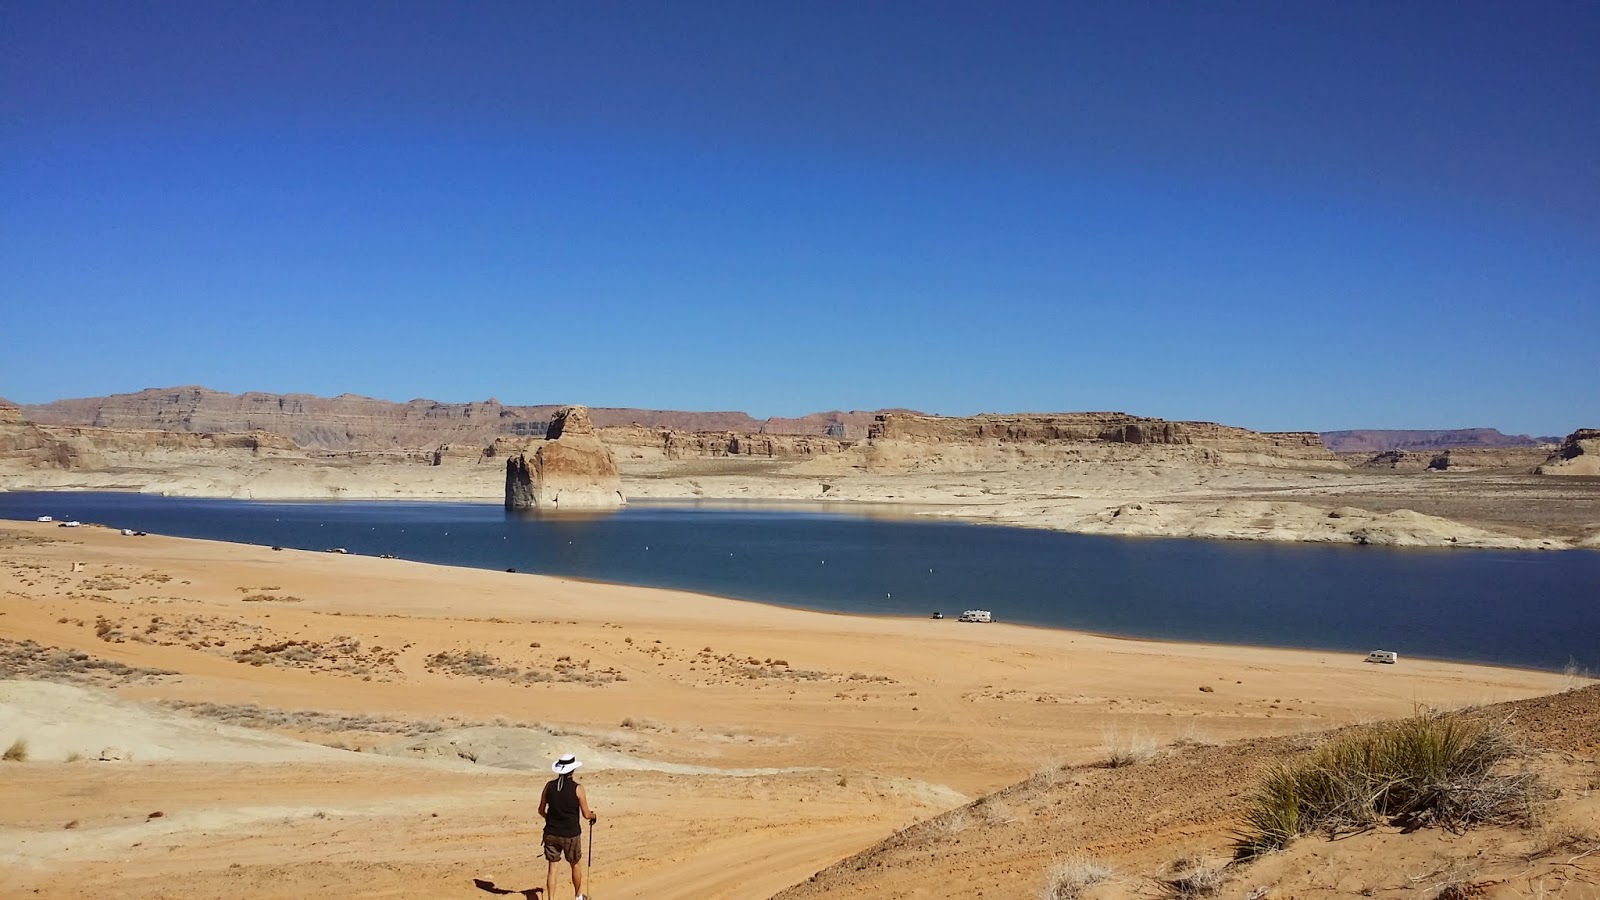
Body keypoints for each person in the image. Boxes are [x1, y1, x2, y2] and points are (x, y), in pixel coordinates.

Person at [539, 753, 598, 900]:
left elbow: (541, 810)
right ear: (573, 770)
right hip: (570, 834)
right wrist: (593, 815)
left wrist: (552, 820)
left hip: (551, 832)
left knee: (552, 868)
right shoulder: (578, 788)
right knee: (574, 864)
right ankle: (578, 896)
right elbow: (586, 814)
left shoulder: (549, 786)